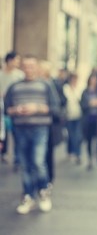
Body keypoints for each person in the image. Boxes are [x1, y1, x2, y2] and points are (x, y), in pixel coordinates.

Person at [4, 55, 60, 214]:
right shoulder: (14, 87)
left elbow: (56, 108)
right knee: (25, 163)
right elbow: (7, 108)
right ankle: (28, 195)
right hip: (20, 129)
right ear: (22, 68)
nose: (29, 69)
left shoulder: (46, 86)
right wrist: (16, 110)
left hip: (40, 129)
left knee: (37, 161)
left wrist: (38, 108)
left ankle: (43, 192)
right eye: (26, 66)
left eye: (32, 66)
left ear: (36, 68)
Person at [0, 51, 24, 167]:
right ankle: (3, 153)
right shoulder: (1, 74)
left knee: (16, 133)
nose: (17, 63)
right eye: (16, 60)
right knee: (2, 133)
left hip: (15, 109)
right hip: (1, 108)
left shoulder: (19, 75)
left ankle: (17, 157)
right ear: (9, 61)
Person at [80, 73, 97, 170]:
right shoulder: (85, 92)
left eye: (95, 79)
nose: (93, 81)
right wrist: (90, 103)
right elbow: (82, 105)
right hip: (88, 119)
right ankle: (90, 159)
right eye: (92, 79)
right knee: (89, 140)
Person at [63, 73, 83, 164]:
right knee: (71, 135)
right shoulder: (66, 88)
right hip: (69, 115)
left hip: (79, 115)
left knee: (77, 135)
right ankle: (70, 151)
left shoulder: (80, 88)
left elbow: (81, 99)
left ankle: (77, 154)